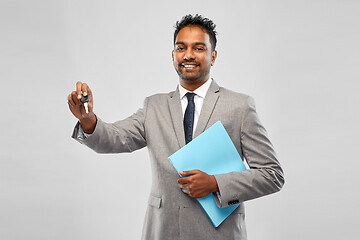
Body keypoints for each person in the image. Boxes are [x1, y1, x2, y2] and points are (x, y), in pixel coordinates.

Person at [68, 14, 284, 240]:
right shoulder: (154, 106)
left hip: (220, 234)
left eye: (199, 48)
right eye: (181, 48)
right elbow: (114, 138)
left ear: (213, 56)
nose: (188, 55)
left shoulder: (240, 106)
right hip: (163, 231)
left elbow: (272, 175)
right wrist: (88, 119)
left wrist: (215, 183)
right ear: (173, 55)